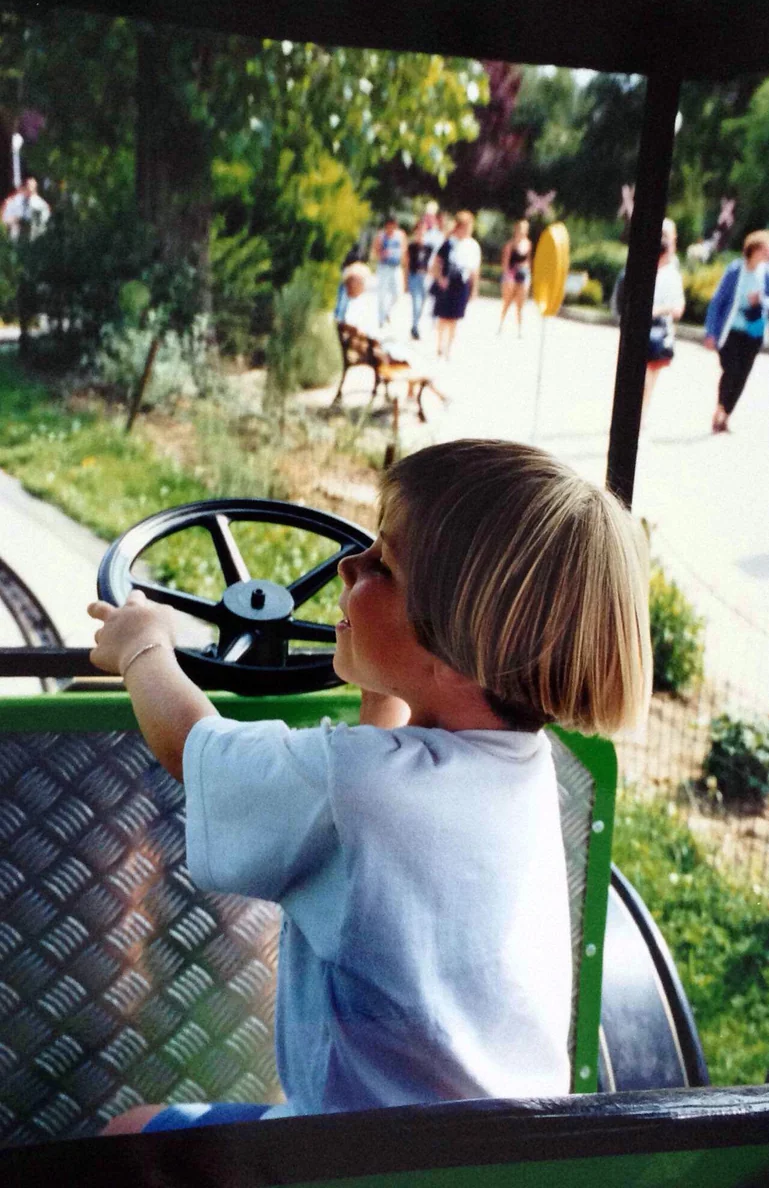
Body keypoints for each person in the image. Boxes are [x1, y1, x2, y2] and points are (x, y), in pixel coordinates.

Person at [89, 438, 651, 1136]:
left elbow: (194, 749)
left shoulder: (352, 787)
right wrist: (381, 685)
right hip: (493, 1152)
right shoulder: (525, 769)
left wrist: (141, 646)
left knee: (127, 1135)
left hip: (345, 1157)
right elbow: (387, 802)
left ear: (456, 651)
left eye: (382, 566)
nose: (348, 564)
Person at [704, 229, 769, 434]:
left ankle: (726, 415)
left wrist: (761, 301)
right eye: (765, 250)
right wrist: (710, 332)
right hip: (731, 331)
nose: (767, 254)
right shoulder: (735, 270)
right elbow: (718, 301)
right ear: (754, 249)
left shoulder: (766, 273)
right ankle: (719, 408)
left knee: (742, 375)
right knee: (731, 370)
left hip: (753, 332)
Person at [642, 236, 685, 424]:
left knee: (649, 379)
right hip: (639, 331)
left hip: (658, 332)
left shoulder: (672, 276)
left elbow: (678, 309)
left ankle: (641, 415)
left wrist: (658, 310)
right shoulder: (642, 271)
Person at [431, 210, 482, 360]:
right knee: (443, 316)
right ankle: (440, 344)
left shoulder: (473, 246)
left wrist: (474, 289)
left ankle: (449, 348)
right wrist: (440, 278)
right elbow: (436, 263)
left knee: (454, 318)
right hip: (447, 283)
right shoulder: (449, 243)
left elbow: (474, 270)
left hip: (461, 284)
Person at [372, 215, 408, 327]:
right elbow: (375, 250)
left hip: (396, 266)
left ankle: (387, 312)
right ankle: (381, 319)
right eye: (389, 225)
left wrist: (405, 267)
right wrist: (381, 254)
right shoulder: (381, 235)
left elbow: (404, 250)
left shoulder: (400, 235)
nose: (391, 228)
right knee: (382, 293)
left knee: (397, 293)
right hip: (384, 267)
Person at [406, 219, 433, 339]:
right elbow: (407, 264)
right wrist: (405, 281)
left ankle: (416, 324)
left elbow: (432, 263)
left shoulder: (429, 247)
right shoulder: (412, 246)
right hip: (414, 276)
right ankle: (415, 327)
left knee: (422, 303)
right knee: (416, 303)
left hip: (425, 277)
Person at [1, 176, 50, 240]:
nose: (30, 190)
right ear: (24, 187)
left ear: (36, 189)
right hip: (15, 237)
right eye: (27, 186)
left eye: (32, 187)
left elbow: (45, 221)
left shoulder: (41, 205)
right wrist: (14, 220)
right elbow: (5, 219)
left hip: (34, 238)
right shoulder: (14, 201)